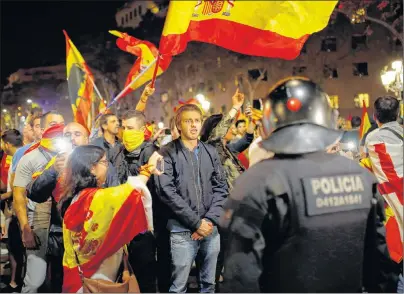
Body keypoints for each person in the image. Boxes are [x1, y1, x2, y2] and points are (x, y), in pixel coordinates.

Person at [221, 77, 398, 293]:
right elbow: (381, 268)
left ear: (268, 123)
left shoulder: (255, 182)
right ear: (326, 119)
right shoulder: (361, 177)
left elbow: (240, 279)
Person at [24, 122, 120, 292]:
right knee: (63, 285)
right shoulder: (57, 162)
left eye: (77, 134)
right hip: (61, 239)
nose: (72, 139)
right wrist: (54, 171)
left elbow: (115, 198)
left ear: (87, 138)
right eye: (67, 135)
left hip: (94, 239)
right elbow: (34, 194)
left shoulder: (102, 163)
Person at [60, 145, 162, 293]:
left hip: (90, 273)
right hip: (92, 274)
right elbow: (128, 192)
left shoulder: (81, 197)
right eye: (104, 162)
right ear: (91, 168)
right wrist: (149, 168)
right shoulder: (94, 198)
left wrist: (125, 267)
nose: (107, 167)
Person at [156, 103, 228, 293]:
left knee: (209, 285)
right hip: (181, 231)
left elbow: (221, 188)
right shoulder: (166, 153)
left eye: (197, 121)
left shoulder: (210, 152)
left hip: (210, 230)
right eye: (189, 121)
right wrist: (196, 223)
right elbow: (166, 191)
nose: (194, 125)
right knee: (179, 286)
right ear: (179, 125)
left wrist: (209, 221)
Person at [13, 111, 64, 293]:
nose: (59, 128)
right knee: (35, 279)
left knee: (64, 278)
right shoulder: (29, 158)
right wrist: (25, 228)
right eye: (53, 125)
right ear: (41, 130)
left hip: (65, 224)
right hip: (39, 222)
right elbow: (18, 195)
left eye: (61, 124)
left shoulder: (72, 154)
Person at [120, 110, 159, 293]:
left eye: (130, 128)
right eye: (123, 127)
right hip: (120, 223)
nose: (125, 132)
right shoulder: (117, 152)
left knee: (145, 278)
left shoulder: (153, 154)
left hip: (143, 227)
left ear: (142, 130)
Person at [365, 96, 403, 272]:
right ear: (398, 114)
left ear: (375, 116)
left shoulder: (373, 140)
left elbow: (369, 168)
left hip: (392, 211)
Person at [0, 129, 24, 293]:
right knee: (13, 247)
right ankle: (15, 281)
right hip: (13, 209)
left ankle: (17, 283)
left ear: (7, 144)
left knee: (16, 247)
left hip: (18, 211)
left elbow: (17, 189)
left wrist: (4, 197)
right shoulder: (16, 155)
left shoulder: (19, 157)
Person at [92, 113, 127, 184]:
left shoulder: (122, 145)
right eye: (113, 121)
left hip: (121, 189)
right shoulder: (95, 146)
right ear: (104, 126)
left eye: (117, 121)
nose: (117, 123)